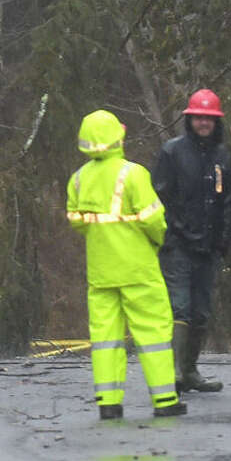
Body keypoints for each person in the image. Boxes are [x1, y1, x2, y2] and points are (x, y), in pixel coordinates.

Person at [66, 109, 185, 421]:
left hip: (101, 273)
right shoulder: (133, 174)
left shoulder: (78, 179)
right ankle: (165, 401)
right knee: (153, 334)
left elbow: (77, 222)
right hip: (138, 269)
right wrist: (157, 242)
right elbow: (154, 220)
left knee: (105, 339)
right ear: (118, 136)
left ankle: (108, 402)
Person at [152, 88, 231, 394]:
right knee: (180, 309)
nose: (203, 123)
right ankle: (173, 372)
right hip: (178, 246)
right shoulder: (172, 152)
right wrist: (177, 232)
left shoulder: (221, 156)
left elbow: (228, 200)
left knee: (201, 312)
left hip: (209, 248)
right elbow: (159, 198)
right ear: (190, 119)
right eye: (199, 117)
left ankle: (190, 371)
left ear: (216, 122)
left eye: (208, 118)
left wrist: (223, 239)